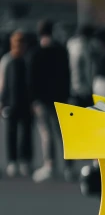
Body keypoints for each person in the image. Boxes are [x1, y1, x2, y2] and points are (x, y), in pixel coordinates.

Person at [29, 20, 71, 182]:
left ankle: (50, 165)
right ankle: (68, 167)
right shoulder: (61, 51)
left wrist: (33, 99)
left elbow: (31, 79)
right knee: (63, 135)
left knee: (46, 133)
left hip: (42, 99)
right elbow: (67, 75)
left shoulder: (35, 53)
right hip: (60, 98)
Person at [0, 31, 33, 177]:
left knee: (26, 133)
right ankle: (12, 161)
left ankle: (25, 160)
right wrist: (2, 101)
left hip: (26, 102)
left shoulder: (28, 60)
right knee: (11, 133)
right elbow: (3, 83)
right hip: (11, 102)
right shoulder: (7, 60)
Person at [67, 23, 94, 107]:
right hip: (82, 88)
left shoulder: (70, 44)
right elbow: (87, 69)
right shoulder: (84, 47)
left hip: (72, 86)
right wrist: (89, 87)